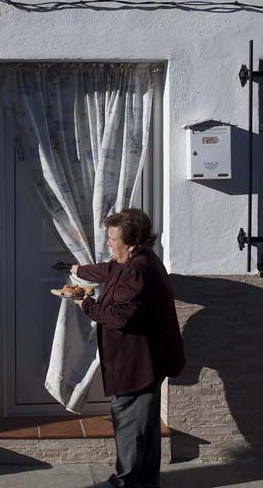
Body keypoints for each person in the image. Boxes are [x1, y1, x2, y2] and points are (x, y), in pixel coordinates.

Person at [71, 208, 185, 488]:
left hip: (138, 365)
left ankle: (126, 483)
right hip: (143, 362)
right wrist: (77, 270)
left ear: (131, 243)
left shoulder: (138, 271)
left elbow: (119, 316)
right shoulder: (136, 260)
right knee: (143, 429)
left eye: (112, 238)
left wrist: (86, 305)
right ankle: (145, 483)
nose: (109, 243)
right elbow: (109, 268)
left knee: (130, 427)